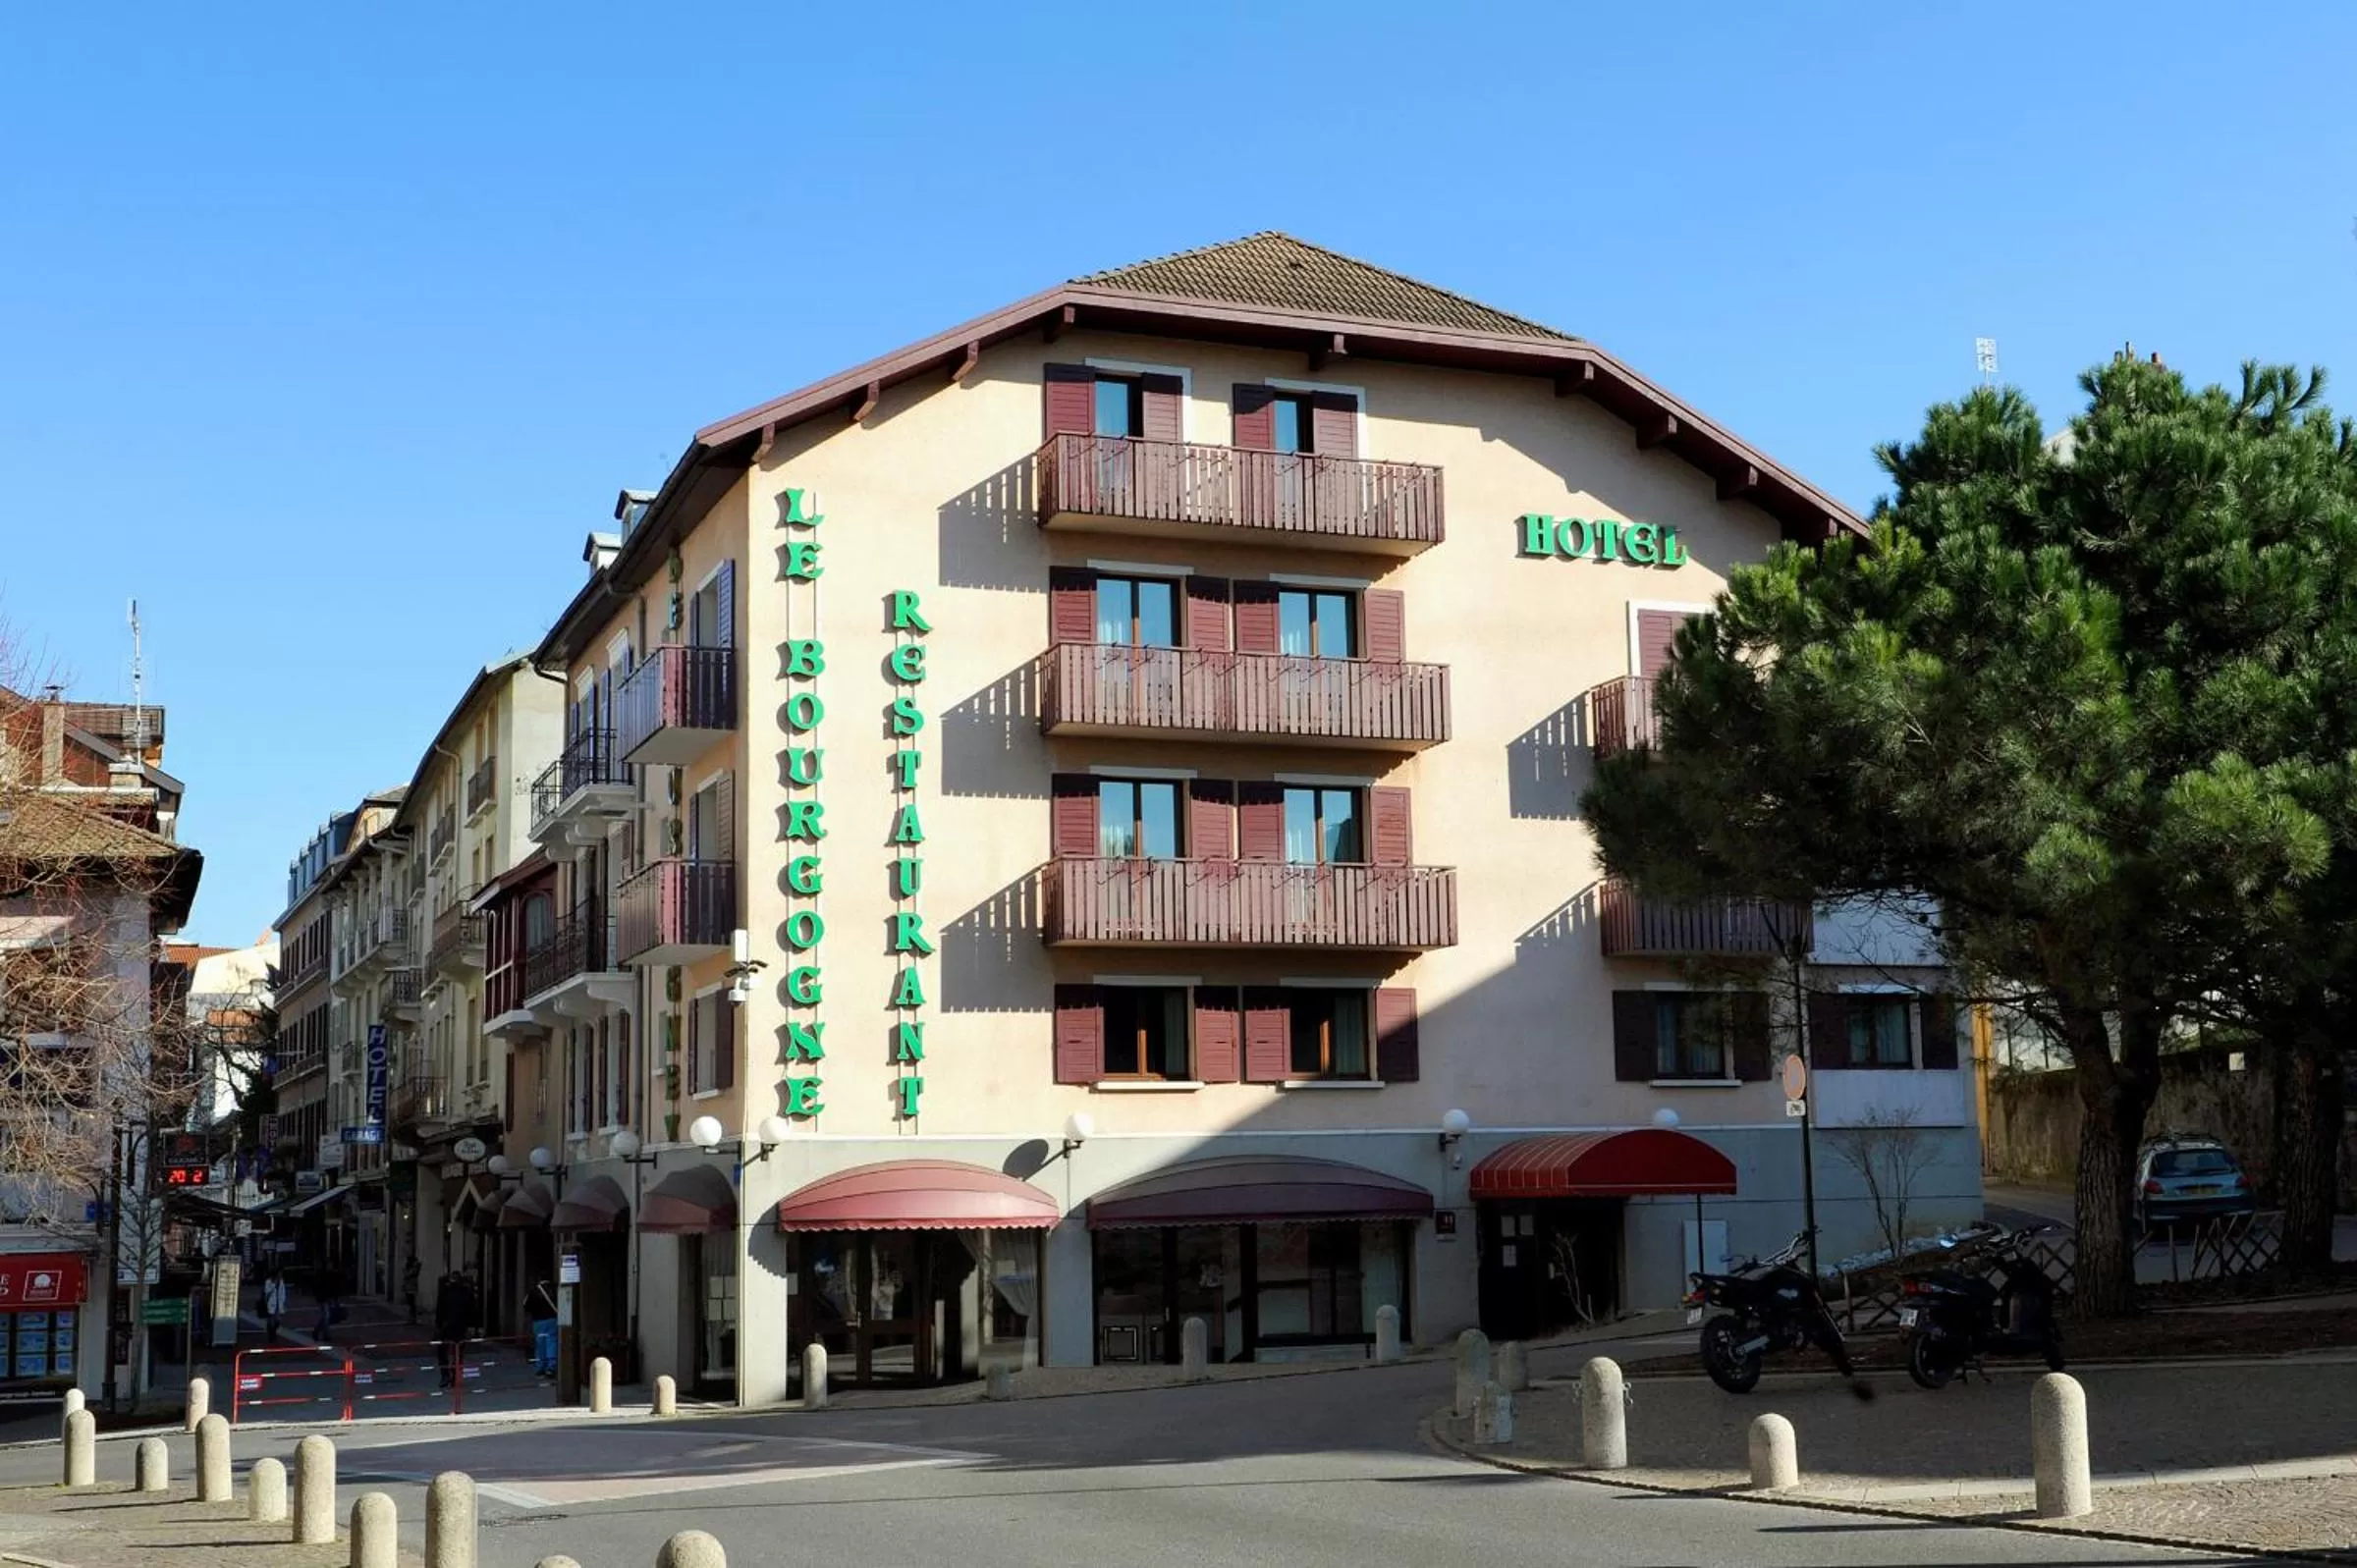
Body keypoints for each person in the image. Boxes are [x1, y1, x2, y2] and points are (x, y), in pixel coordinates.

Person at [433, 1271, 472, 1389]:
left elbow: (439, 1310)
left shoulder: (445, 1291)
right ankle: (454, 1375)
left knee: (442, 1351)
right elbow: (471, 1310)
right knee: (458, 1353)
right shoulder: (465, 1292)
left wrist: (438, 1325)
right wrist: (469, 1327)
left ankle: (445, 1375)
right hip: (460, 1327)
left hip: (446, 1326)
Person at [527, 1279, 558, 1379]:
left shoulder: (533, 1291)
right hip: (552, 1319)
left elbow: (526, 1306)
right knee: (552, 1342)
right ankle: (551, 1367)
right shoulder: (554, 1289)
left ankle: (540, 1367)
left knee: (540, 1344)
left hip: (538, 1321)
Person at [402, 1255, 421, 1324]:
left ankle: (413, 1318)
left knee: (411, 1303)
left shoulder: (414, 1268)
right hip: (408, 1287)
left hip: (411, 1287)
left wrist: (415, 1265)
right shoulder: (410, 1267)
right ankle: (411, 1318)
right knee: (410, 1303)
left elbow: (407, 1274)